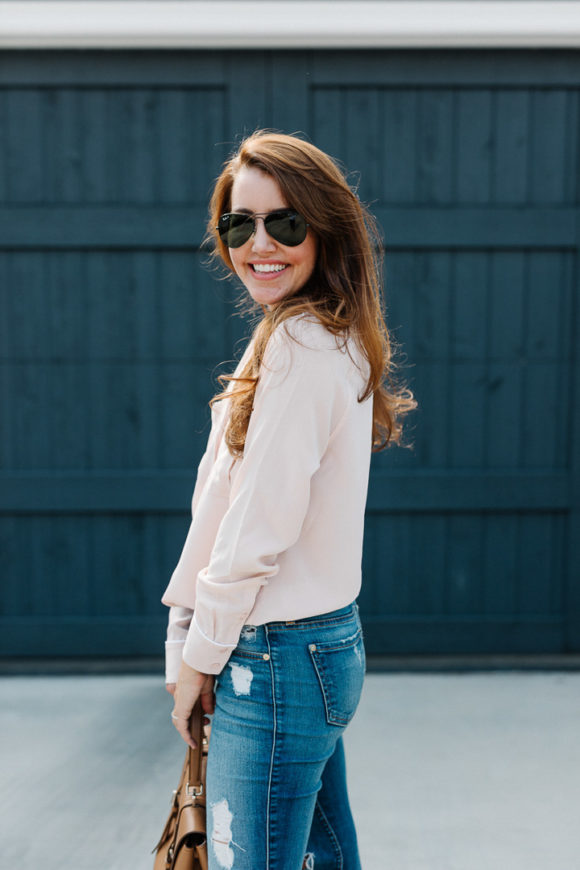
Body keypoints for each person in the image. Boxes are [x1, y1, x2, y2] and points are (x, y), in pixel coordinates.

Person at [161, 130, 416, 870]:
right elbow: (224, 499)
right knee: (327, 857)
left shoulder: (303, 345)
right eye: (239, 224)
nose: (258, 244)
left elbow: (255, 529)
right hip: (305, 650)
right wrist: (188, 636)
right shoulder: (306, 333)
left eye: (285, 223)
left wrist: (198, 658)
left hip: (273, 658)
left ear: (324, 227)